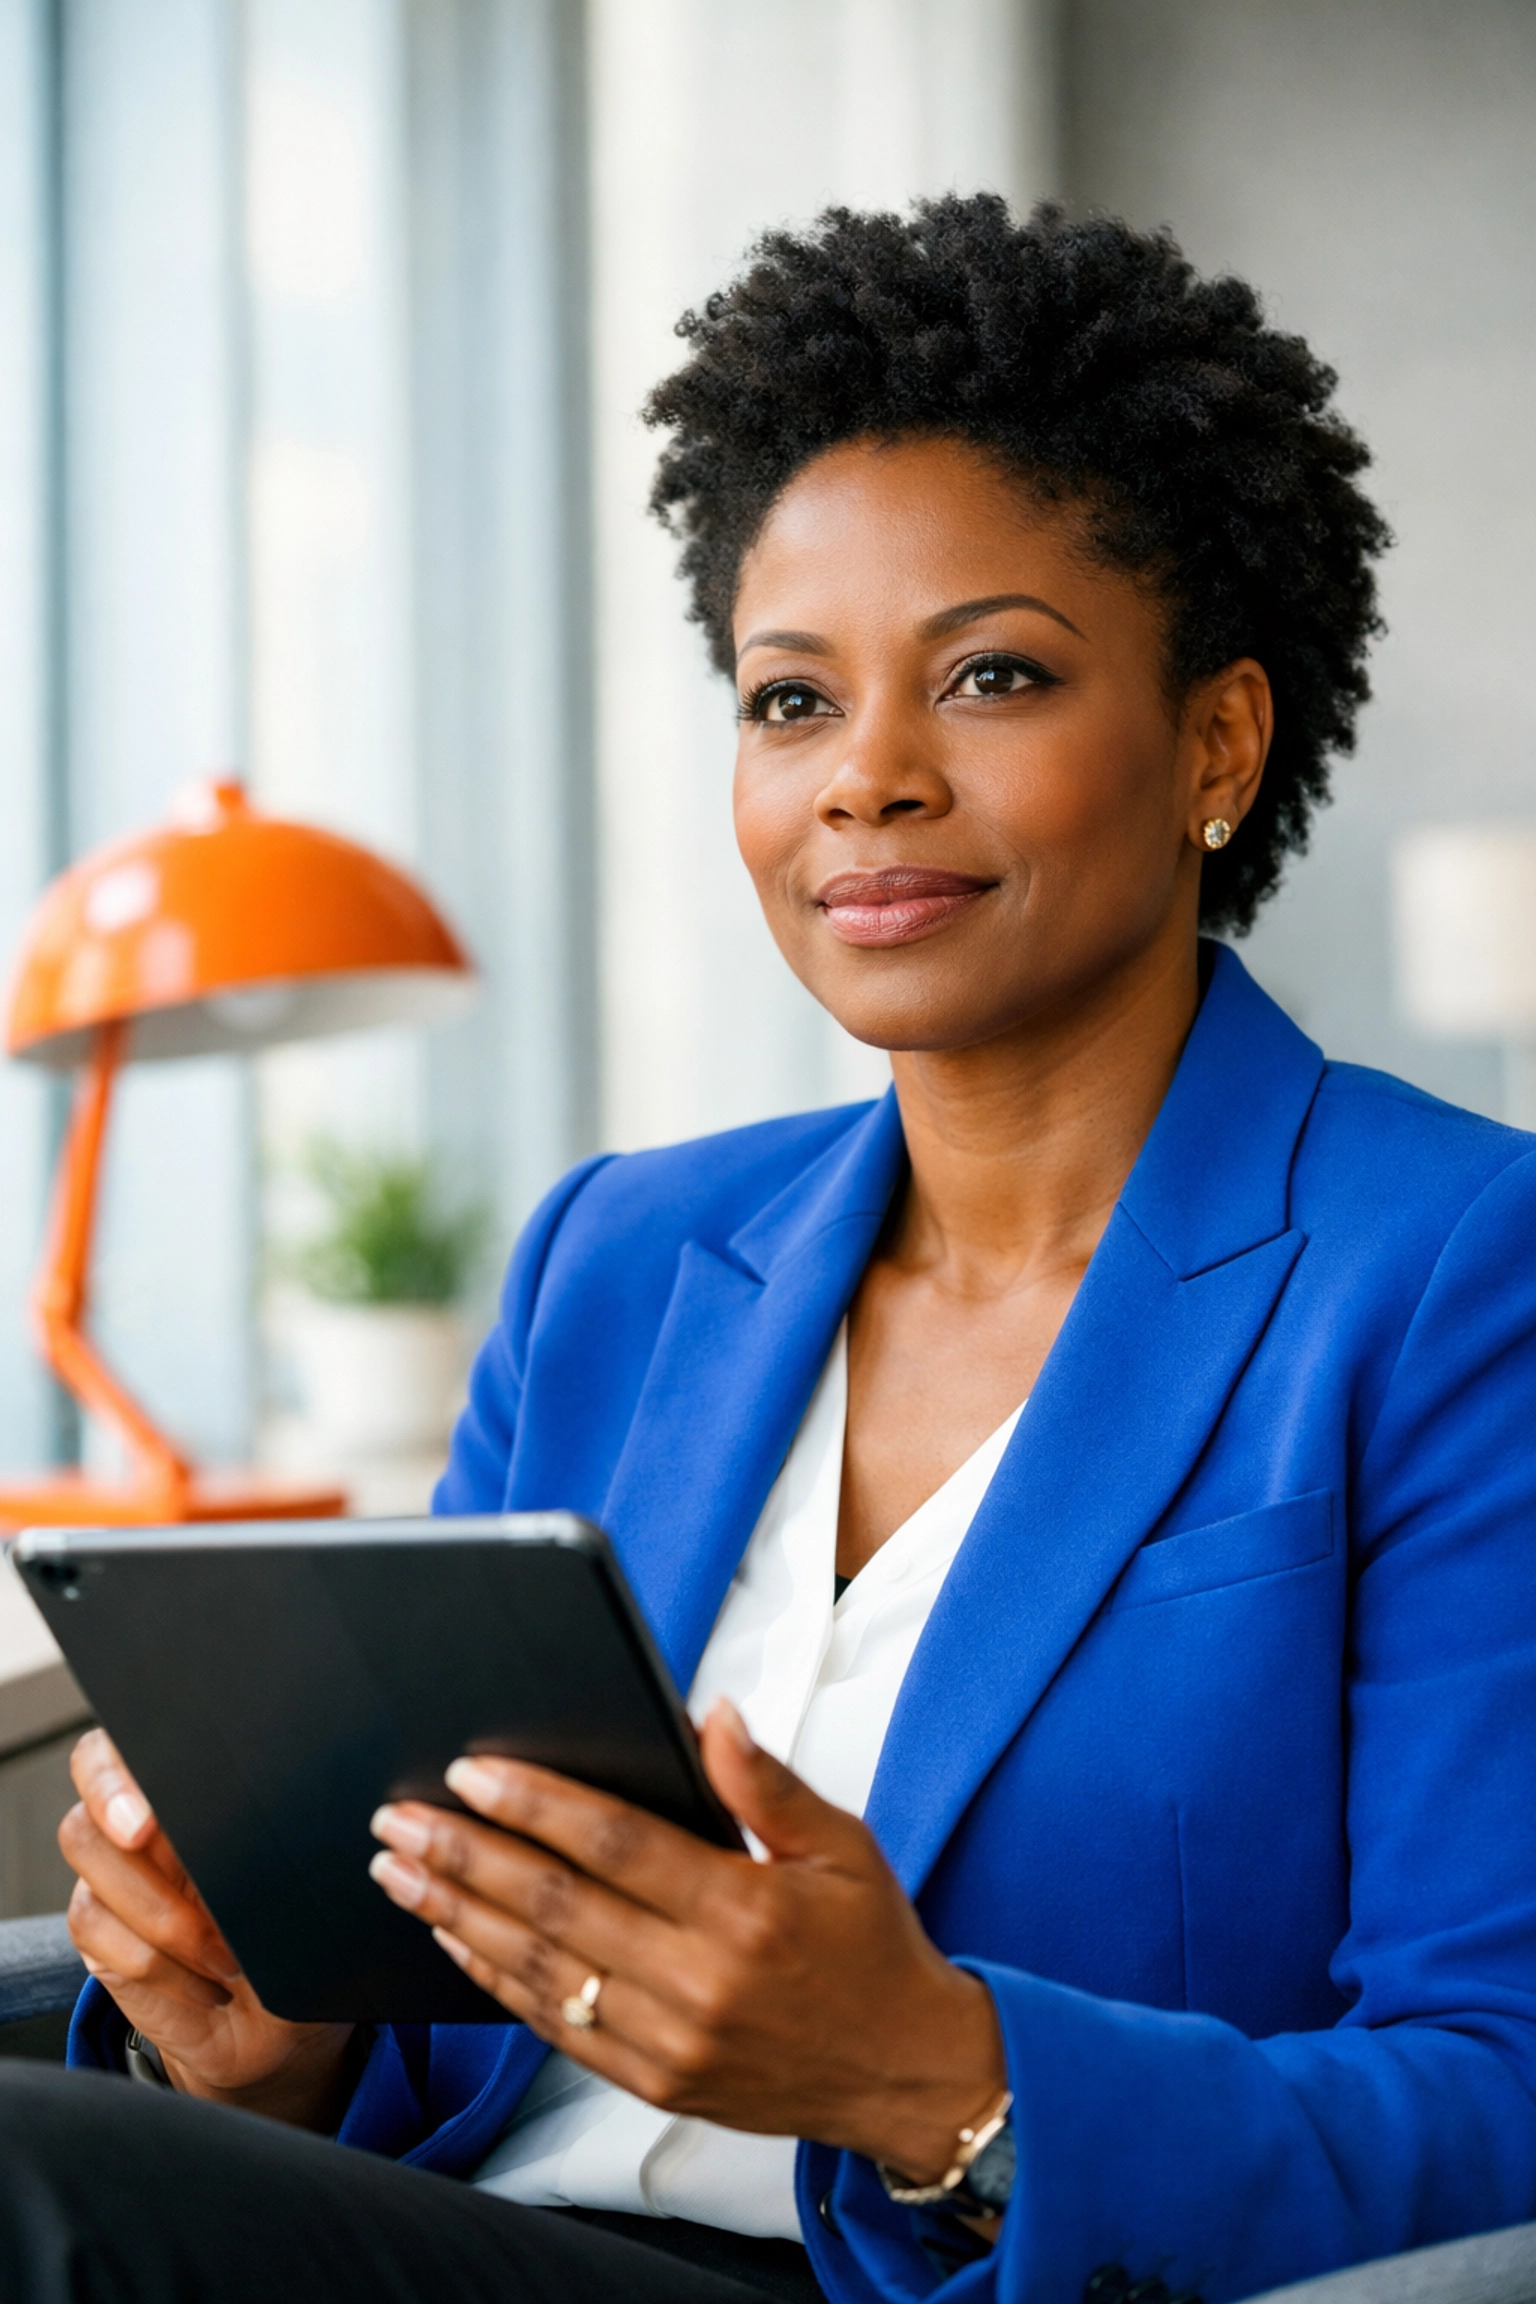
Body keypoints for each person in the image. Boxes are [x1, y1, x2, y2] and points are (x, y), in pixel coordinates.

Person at [2, 193, 1533, 2304]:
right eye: (791, 700)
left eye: (991, 676)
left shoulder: (1455, 1277)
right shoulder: (618, 1259)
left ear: (1219, 742)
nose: (867, 781)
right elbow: (437, 2007)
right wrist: (277, 2053)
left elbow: (1500, 2089)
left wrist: (938, 2084)